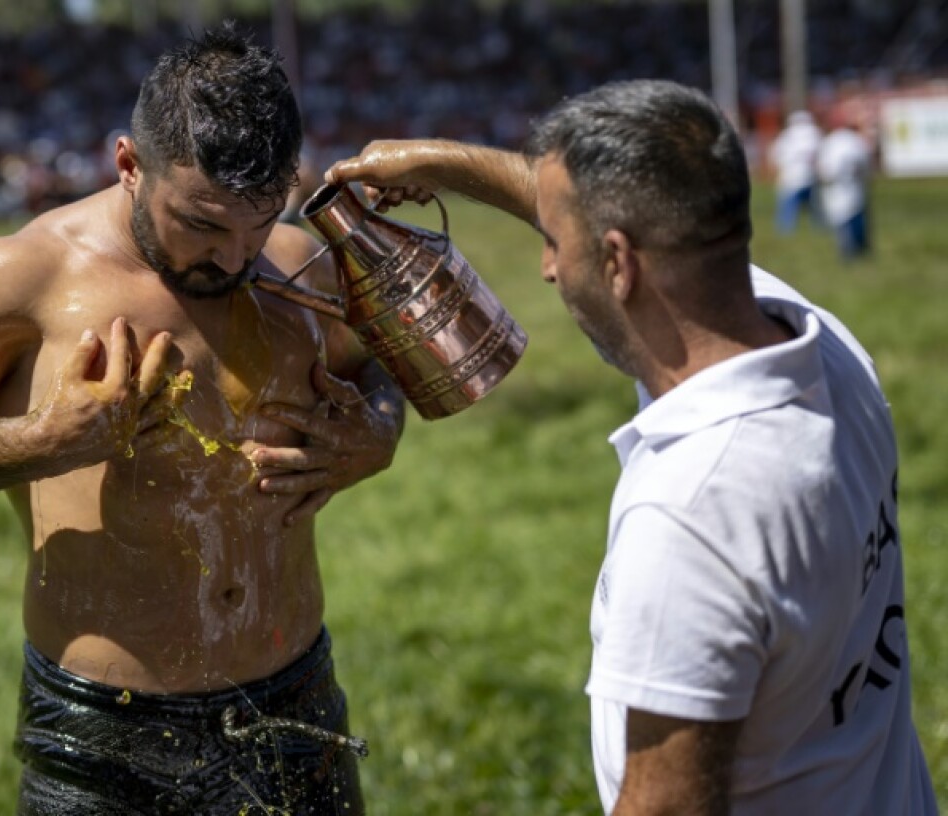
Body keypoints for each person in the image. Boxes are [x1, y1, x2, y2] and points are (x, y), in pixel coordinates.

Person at [0, 23, 405, 816]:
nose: (233, 258)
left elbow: (378, 368)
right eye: (203, 223)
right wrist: (43, 441)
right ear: (128, 165)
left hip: (292, 704)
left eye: (257, 221)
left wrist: (379, 432)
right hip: (100, 736)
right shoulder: (23, 279)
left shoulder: (294, 265)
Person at [326, 79, 936, 814]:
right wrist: (443, 163)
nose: (548, 267)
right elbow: (597, 206)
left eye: (555, 245)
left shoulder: (694, 518)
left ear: (619, 263)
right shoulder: (816, 343)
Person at [818, 112, 873, 261]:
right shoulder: (855, 141)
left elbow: (824, 168)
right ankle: (859, 252)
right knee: (855, 216)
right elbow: (865, 164)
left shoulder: (830, 142)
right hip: (854, 186)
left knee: (843, 220)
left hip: (836, 187)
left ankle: (849, 253)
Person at [767, 110, 822, 233]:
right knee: (814, 206)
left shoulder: (787, 135)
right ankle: (817, 228)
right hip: (808, 175)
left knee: (789, 205)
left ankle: (785, 229)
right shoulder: (814, 134)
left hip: (790, 176)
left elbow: (775, 155)